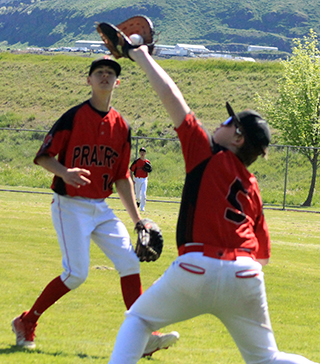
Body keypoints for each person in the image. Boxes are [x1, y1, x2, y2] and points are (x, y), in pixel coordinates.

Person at [107, 45, 319, 364]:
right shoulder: (252, 187)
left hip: (195, 265)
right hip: (246, 273)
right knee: (267, 359)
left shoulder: (205, 153)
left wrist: (140, 54)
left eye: (228, 120)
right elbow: (261, 256)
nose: (219, 122)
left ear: (237, 137)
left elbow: (170, 95)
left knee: (139, 320)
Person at [11, 56, 179, 356]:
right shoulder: (73, 117)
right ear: (88, 80)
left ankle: (144, 337)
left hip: (100, 207)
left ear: (118, 82)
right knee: (76, 274)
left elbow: (122, 177)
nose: (105, 77)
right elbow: (43, 156)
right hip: (69, 204)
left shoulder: (122, 126)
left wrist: (138, 219)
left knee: (129, 263)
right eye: (99, 72)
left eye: (110, 73)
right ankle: (27, 321)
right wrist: (65, 172)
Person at [130, 147, 152, 212]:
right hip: (137, 179)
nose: (142, 153)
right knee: (137, 195)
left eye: (143, 152)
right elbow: (131, 170)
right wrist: (132, 180)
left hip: (144, 179)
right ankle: (138, 201)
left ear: (145, 153)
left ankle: (142, 207)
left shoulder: (147, 162)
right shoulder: (137, 162)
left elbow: (149, 170)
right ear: (139, 153)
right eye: (141, 152)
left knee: (143, 193)